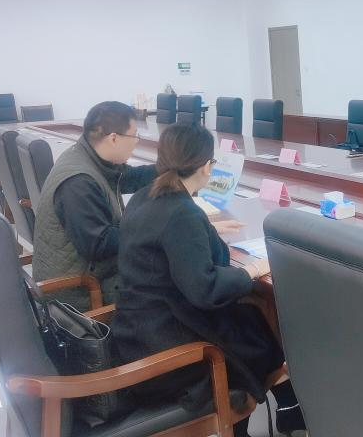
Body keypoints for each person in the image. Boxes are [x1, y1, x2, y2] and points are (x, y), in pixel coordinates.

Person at [114, 123, 304, 437]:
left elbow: (167, 243)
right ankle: (280, 406)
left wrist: (205, 230)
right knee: (254, 329)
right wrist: (251, 270)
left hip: (139, 331)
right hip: (166, 350)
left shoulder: (146, 196)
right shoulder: (181, 213)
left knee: (252, 319)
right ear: (205, 167)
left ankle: (285, 403)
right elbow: (205, 289)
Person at [33, 101, 157, 309]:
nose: (137, 142)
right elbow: (100, 245)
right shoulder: (78, 182)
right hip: (80, 294)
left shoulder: (87, 156)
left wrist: (168, 168)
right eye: (135, 135)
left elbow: (127, 178)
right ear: (114, 138)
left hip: (91, 274)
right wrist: (154, 228)